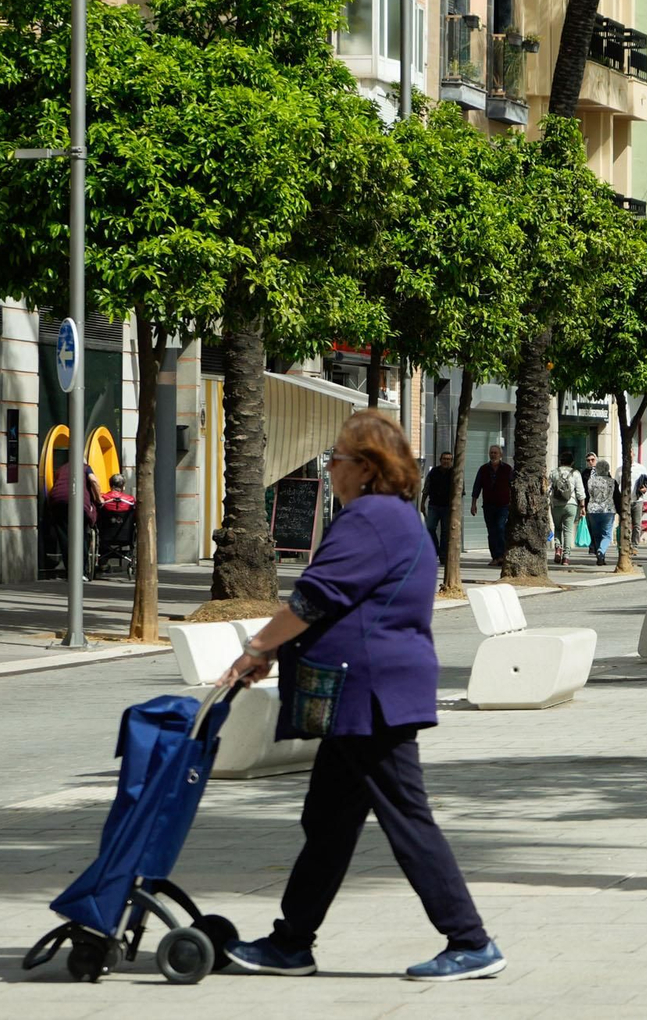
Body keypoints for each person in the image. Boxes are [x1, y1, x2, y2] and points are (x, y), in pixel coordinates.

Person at [217, 410, 504, 982]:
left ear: (367, 469)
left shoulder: (369, 519)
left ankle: (471, 941)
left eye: (337, 460)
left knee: (406, 817)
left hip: (369, 694)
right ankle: (291, 942)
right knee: (327, 818)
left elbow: (314, 598)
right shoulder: (394, 517)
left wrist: (256, 649)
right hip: (366, 693)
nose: (330, 470)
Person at [48, 456, 103, 581]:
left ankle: (70, 572)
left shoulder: (61, 469)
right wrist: (99, 498)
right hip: (77, 503)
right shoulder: (85, 468)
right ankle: (80, 572)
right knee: (81, 536)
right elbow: (93, 481)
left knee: (65, 538)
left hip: (57, 502)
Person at [469, 445, 513, 566]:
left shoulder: (507, 469)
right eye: (491, 453)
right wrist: (473, 504)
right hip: (488, 505)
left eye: (495, 453)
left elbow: (513, 487)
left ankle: (503, 555)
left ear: (501, 455)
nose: (493, 455)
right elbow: (477, 487)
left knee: (500, 528)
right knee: (491, 531)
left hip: (503, 505)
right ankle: (495, 556)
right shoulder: (483, 469)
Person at [548, 449, 586, 565]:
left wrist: (549, 501)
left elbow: (548, 489)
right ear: (572, 462)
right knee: (568, 530)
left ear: (560, 461)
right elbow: (580, 492)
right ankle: (566, 556)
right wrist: (582, 506)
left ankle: (558, 548)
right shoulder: (575, 473)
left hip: (556, 504)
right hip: (571, 504)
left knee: (558, 528)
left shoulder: (554, 473)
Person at [421, 451, 456, 561]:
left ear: (451, 461)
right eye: (444, 459)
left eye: (448, 459)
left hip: (448, 507)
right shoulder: (434, 472)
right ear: (440, 460)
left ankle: (443, 555)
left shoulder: (455, 473)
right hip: (434, 505)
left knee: (445, 532)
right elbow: (426, 488)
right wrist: (422, 503)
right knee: (430, 528)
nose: (446, 461)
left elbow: (460, 491)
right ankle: (435, 549)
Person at [584, 460, 619, 566]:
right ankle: (601, 551)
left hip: (593, 510)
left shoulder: (590, 481)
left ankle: (600, 556)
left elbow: (587, 495)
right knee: (607, 535)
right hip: (608, 510)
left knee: (596, 534)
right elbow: (617, 497)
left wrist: (584, 508)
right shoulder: (612, 482)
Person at [629, 463, 647, 549]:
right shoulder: (620, 468)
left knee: (637, 525)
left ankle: (634, 546)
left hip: (638, 500)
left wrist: (645, 489)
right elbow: (617, 484)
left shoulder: (640, 468)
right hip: (625, 501)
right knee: (625, 524)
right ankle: (625, 545)